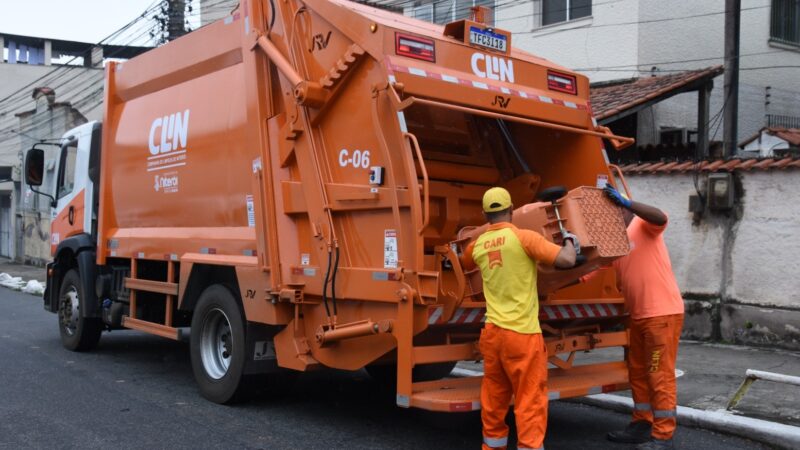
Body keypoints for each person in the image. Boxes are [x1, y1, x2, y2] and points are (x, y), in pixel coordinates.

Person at [461, 187, 577, 450]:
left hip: (492, 334)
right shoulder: (525, 239)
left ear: (484, 214)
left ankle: (492, 447)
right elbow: (568, 260)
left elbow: (464, 262)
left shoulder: (476, 246)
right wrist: (569, 240)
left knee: (494, 398)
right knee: (529, 400)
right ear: (511, 210)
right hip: (522, 335)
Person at [600, 184, 685, 450]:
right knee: (638, 372)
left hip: (661, 315)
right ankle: (641, 423)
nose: (612, 216)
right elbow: (592, 268)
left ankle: (663, 435)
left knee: (658, 374)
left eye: (615, 210)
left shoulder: (644, 225)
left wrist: (627, 202)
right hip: (639, 317)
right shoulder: (616, 241)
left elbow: (660, 216)